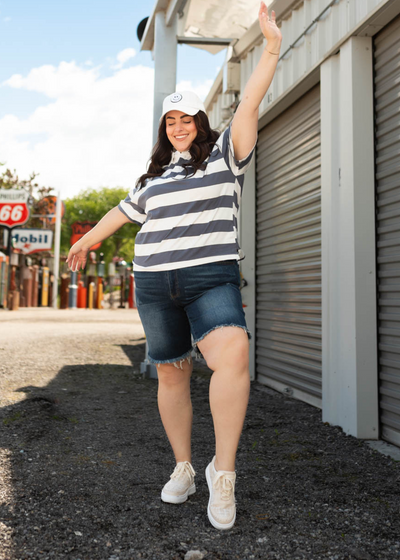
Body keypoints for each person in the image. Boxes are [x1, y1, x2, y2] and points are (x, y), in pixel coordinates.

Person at [67, 2, 282, 531]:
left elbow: (251, 99)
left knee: (233, 356)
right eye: (171, 120)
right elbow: (119, 215)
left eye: (187, 118)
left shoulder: (226, 155)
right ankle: (184, 467)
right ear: (165, 129)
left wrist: (271, 47)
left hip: (211, 275)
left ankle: (223, 473)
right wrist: (85, 243)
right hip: (155, 283)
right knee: (171, 374)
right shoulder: (152, 181)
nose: (180, 126)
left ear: (201, 122)